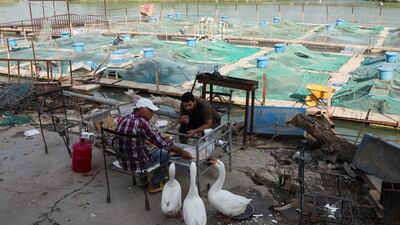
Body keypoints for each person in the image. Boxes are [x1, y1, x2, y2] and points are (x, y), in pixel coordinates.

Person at [116, 98, 193, 193]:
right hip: (137, 164)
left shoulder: (123, 118)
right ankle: (155, 183)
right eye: (150, 110)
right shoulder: (142, 123)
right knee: (165, 153)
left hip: (122, 161)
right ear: (140, 109)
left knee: (152, 147)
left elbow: (129, 137)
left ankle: (143, 179)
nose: (152, 113)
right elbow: (163, 144)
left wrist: (146, 140)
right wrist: (182, 152)